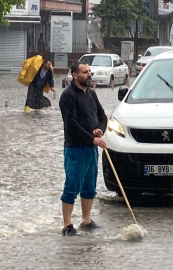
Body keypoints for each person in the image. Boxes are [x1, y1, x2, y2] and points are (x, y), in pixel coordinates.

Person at [59, 61, 108, 236]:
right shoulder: (68, 96)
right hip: (75, 149)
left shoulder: (92, 94)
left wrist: (99, 129)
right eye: (85, 72)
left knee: (89, 186)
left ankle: (86, 220)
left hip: (91, 149)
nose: (89, 74)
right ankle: (67, 225)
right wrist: (91, 139)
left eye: (89, 71)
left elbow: (102, 116)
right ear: (75, 75)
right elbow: (71, 124)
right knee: (72, 186)